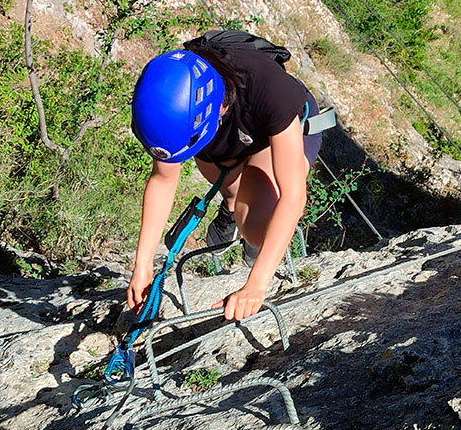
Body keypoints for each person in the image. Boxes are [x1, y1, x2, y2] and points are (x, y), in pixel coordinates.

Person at [126, 33, 322, 321]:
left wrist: (255, 285)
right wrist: (142, 264)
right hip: (224, 139)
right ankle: (230, 205)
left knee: (256, 224)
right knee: (233, 192)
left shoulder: (267, 88)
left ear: (218, 109)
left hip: (273, 135)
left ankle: (253, 239)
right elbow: (163, 179)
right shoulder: (170, 104)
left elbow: (294, 196)